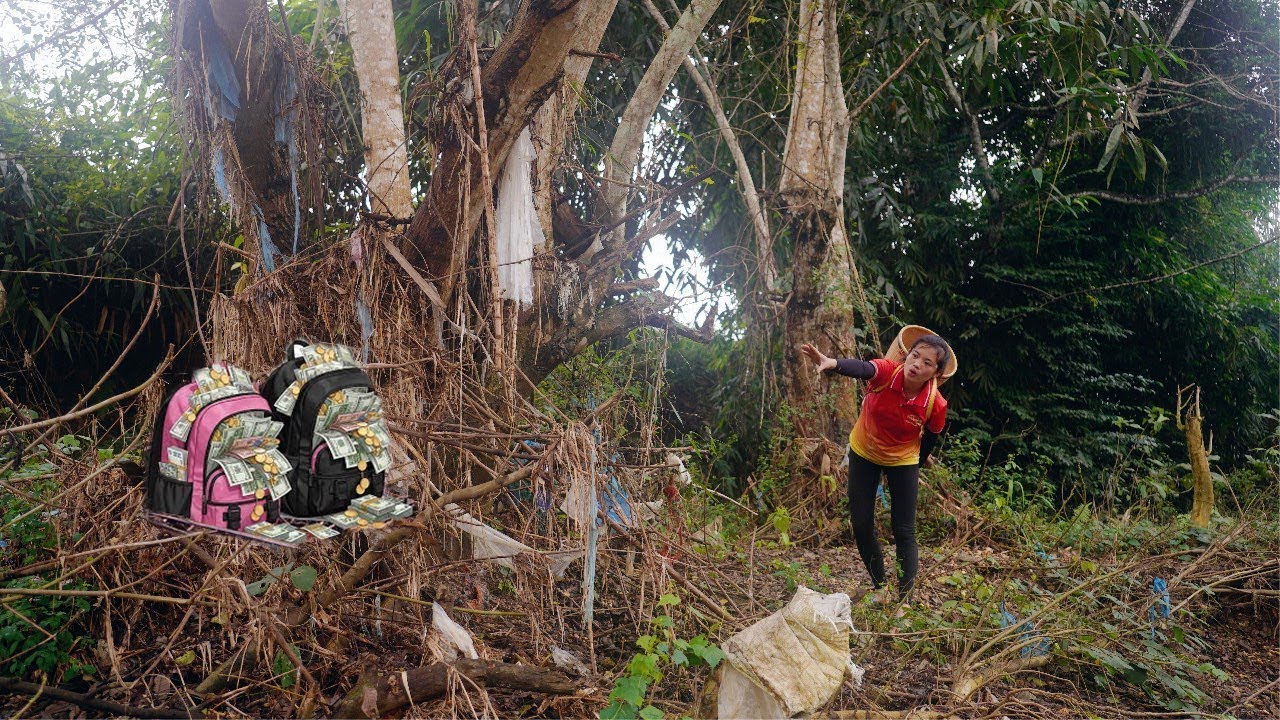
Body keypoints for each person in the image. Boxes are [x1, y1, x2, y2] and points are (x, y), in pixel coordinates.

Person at [800, 326, 956, 604]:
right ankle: (880, 587)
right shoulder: (887, 372)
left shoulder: (936, 403)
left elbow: (932, 437)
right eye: (915, 356)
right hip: (865, 451)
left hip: (903, 460)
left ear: (935, 373)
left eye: (927, 362)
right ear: (906, 356)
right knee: (861, 523)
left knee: (904, 530)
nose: (917, 364)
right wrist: (831, 363)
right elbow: (862, 368)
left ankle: (904, 601)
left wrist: (915, 466)